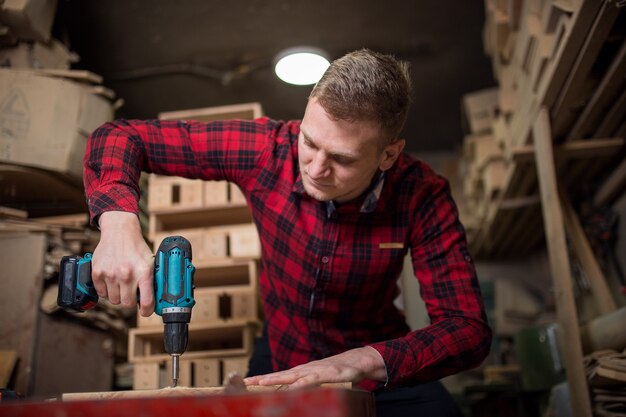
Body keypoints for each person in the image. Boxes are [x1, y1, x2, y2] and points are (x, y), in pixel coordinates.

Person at [84, 48, 491, 416]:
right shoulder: (266, 150)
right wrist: (117, 220)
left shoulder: (422, 195)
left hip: (374, 356)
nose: (315, 168)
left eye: (341, 159)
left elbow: (467, 328)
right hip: (282, 353)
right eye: (309, 142)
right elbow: (118, 136)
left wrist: (362, 361)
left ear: (389, 154)